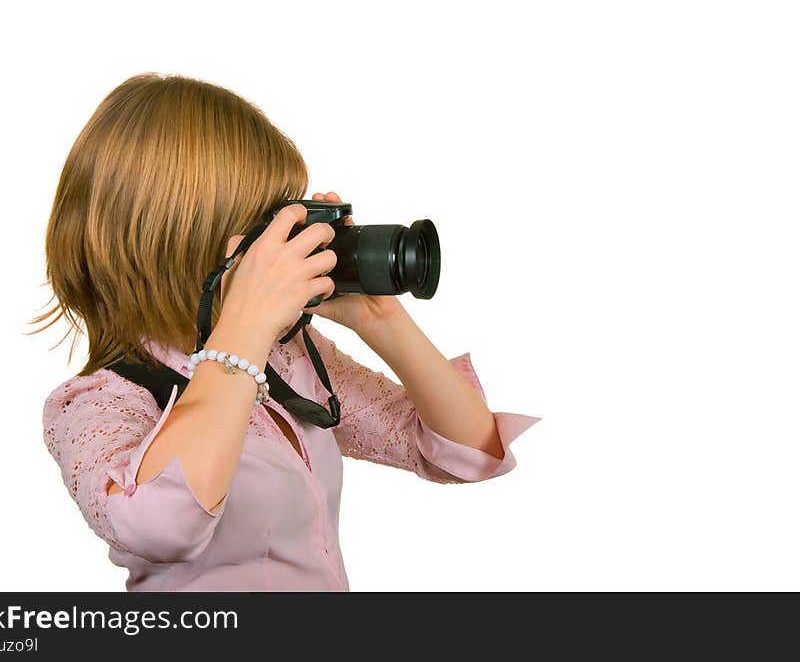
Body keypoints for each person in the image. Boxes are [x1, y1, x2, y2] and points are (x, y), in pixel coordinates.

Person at [33, 72, 540, 591]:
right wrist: (242, 331)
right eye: (265, 224)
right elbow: (163, 526)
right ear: (184, 238)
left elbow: (467, 450)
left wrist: (379, 319)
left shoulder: (289, 359)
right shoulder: (99, 403)